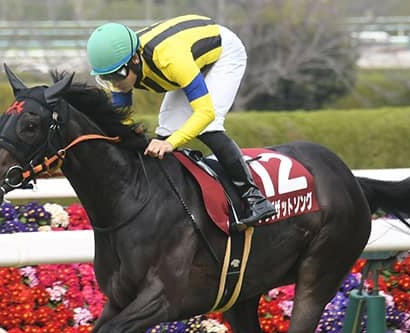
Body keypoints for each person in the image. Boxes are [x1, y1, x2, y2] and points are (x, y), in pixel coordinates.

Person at [86, 14, 276, 229]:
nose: (115, 83)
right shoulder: (121, 69)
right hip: (189, 57)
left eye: (118, 75)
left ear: (135, 60)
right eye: (107, 78)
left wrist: (170, 143)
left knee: (208, 127)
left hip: (222, 54)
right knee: (166, 128)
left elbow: (205, 113)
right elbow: (123, 121)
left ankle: (255, 199)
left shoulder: (169, 59)